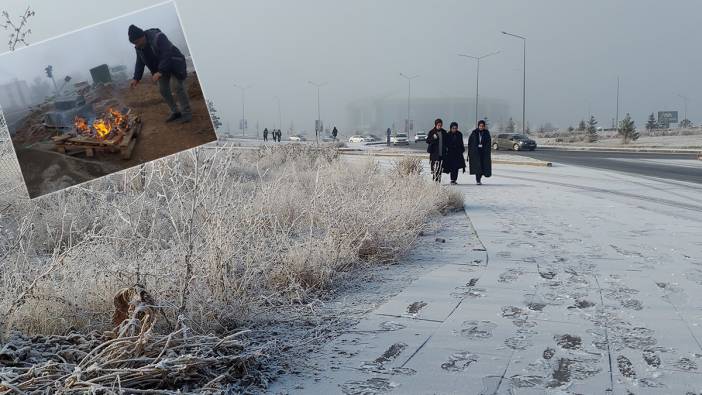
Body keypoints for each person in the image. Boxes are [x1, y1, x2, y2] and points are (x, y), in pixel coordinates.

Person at [128, 24, 191, 123]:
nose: (136, 45)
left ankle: (186, 113)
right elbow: (140, 61)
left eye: (136, 42)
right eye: (134, 44)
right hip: (160, 69)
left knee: (177, 86)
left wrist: (160, 71)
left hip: (174, 62)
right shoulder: (139, 47)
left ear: (142, 36)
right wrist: (136, 78)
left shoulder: (158, 37)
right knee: (163, 89)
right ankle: (176, 112)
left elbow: (167, 53)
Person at [468, 120, 492, 185]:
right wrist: (471, 151)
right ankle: (478, 180)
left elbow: (489, 143)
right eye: (480, 126)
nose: (481, 127)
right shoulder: (474, 133)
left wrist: (486, 149)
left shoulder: (486, 133)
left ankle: (480, 178)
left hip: (483, 153)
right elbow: (470, 142)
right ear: (478, 126)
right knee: (477, 167)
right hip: (476, 153)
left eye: (482, 126)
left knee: (483, 166)